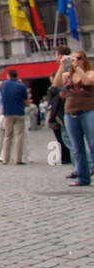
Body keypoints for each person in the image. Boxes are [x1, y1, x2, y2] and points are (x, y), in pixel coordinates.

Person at [51, 51, 94, 188]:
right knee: (77, 147)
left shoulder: (89, 72)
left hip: (89, 110)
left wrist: (78, 68)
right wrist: (61, 66)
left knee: (93, 144)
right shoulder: (66, 74)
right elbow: (56, 85)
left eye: (79, 59)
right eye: (73, 59)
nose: (76, 61)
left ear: (84, 60)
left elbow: (87, 81)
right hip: (70, 112)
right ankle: (83, 177)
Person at [0, 68, 28, 165]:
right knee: (19, 136)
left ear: (8, 75)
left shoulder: (3, 85)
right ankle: (18, 159)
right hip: (19, 112)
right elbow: (25, 100)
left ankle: (5, 159)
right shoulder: (21, 86)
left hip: (8, 113)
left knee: (7, 136)